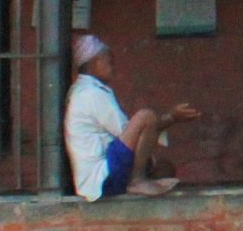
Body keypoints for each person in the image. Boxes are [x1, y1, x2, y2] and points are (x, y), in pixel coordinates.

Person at [64, 34, 198, 200]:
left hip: (107, 167)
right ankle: (137, 181)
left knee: (164, 169)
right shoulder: (90, 93)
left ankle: (140, 187)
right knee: (146, 117)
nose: (112, 67)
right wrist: (171, 117)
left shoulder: (87, 89)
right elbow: (127, 130)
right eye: (108, 61)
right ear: (93, 63)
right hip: (102, 176)